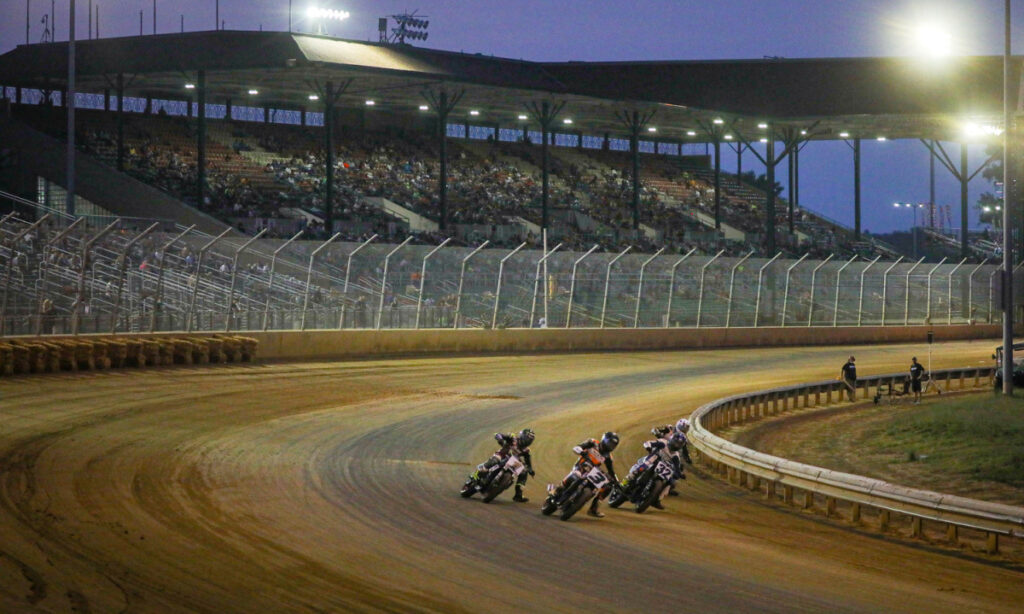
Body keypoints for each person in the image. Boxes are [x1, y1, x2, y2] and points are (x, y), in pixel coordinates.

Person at [549, 432, 620, 518]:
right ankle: (557, 489)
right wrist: (581, 451)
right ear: (604, 440)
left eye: (613, 445)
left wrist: (616, 481)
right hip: (580, 467)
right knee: (575, 475)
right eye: (610, 443)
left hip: (592, 472)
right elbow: (577, 447)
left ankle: (594, 508)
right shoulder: (593, 442)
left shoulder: (608, 457)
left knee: (608, 487)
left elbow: (611, 471)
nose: (611, 446)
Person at [620, 431, 688, 509]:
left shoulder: (676, 456)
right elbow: (649, 443)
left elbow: (677, 467)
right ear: (672, 439)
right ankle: (624, 482)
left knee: (670, 483)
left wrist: (679, 474)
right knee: (640, 469)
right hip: (650, 460)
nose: (676, 445)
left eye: (679, 444)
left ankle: (657, 499)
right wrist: (648, 446)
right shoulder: (663, 443)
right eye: (676, 442)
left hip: (661, 469)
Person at [466, 428, 536, 502]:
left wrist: (530, 469)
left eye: (530, 440)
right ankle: (476, 474)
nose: (528, 441)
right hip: (502, 455)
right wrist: (500, 438)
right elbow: (498, 434)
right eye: (527, 438)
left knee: (524, 472)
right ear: (522, 436)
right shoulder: (513, 438)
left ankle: (518, 495)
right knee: (494, 461)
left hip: (513, 461)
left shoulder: (526, 450)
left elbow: (528, 460)